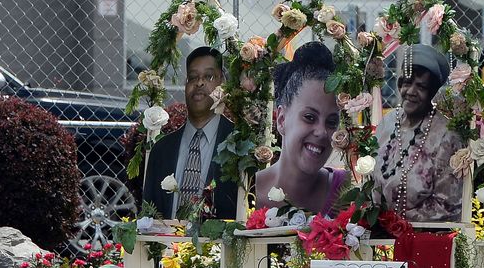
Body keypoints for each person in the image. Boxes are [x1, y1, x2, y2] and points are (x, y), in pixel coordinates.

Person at [373, 43, 467, 223]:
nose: (411, 92)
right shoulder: (387, 123)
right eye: (407, 83)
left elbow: (447, 205)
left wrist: (395, 223)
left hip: (423, 238)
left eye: (421, 87)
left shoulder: (447, 135)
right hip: (377, 233)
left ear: (432, 93)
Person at [143, 47, 237, 219]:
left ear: (222, 84)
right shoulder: (161, 150)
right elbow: (148, 216)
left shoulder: (239, 146)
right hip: (166, 245)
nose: (199, 83)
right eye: (193, 77)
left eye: (209, 76)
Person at [255, 42, 345, 215]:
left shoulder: (343, 191)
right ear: (281, 120)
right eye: (309, 117)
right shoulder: (249, 191)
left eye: (331, 122)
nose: (321, 132)